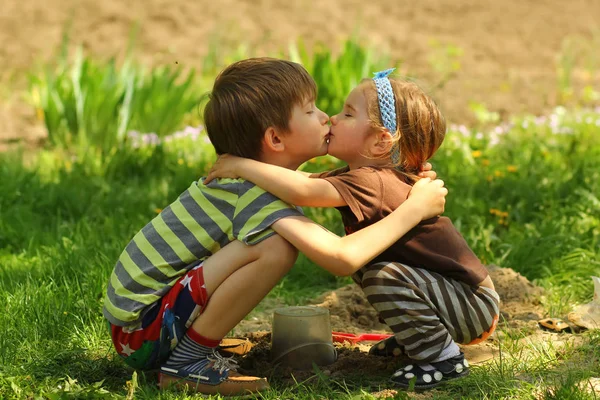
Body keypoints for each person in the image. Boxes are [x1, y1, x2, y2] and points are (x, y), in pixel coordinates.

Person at [103, 59, 448, 397]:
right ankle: (187, 362)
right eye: (311, 110)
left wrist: (404, 177)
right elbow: (342, 258)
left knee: (269, 242)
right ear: (276, 139)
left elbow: (326, 185)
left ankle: (195, 342)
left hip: (138, 326)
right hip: (140, 333)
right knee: (276, 248)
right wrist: (414, 209)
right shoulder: (251, 195)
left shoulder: (253, 182)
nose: (326, 116)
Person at [205, 68, 500, 390]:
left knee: (382, 275)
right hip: (455, 298)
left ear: (379, 141)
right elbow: (303, 182)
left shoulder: (374, 182)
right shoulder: (363, 176)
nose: (332, 118)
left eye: (347, 114)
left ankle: (442, 358)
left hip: (470, 304)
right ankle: (419, 340)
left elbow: (302, 193)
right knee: (378, 269)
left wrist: (240, 165)